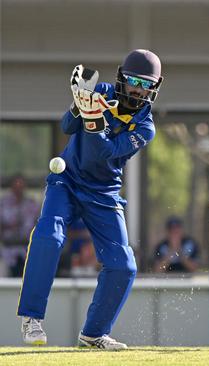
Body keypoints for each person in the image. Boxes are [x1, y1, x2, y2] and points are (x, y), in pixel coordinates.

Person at [17, 49, 163, 349]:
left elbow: (106, 152)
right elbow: (66, 127)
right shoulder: (100, 92)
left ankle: (94, 333)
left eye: (146, 84)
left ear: (154, 88)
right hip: (67, 181)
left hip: (104, 193)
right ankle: (32, 318)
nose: (138, 89)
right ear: (122, 77)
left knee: (124, 266)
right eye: (134, 80)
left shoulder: (145, 127)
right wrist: (78, 105)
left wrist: (93, 117)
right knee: (49, 236)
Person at [0, 175, 40, 277]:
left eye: (21, 185)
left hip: (27, 249)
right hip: (7, 250)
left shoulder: (32, 204)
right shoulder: (3, 203)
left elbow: (38, 225)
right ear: (11, 187)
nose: (18, 188)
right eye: (16, 185)